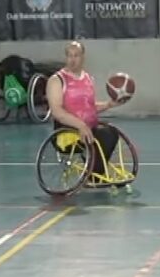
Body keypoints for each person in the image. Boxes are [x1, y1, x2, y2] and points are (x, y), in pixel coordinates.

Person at [46, 40, 126, 179]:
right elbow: (57, 112)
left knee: (111, 132)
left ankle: (94, 171)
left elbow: (89, 108)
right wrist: (80, 125)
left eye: (76, 55)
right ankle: (93, 175)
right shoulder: (56, 80)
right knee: (103, 136)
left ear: (83, 57)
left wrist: (109, 104)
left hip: (89, 129)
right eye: (69, 56)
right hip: (67, 132)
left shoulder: (88, 78)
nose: (72, 60)